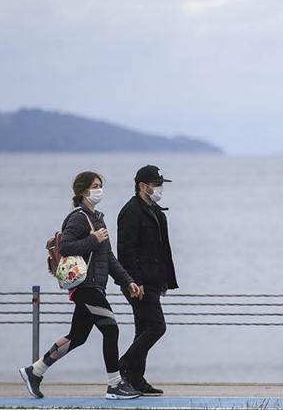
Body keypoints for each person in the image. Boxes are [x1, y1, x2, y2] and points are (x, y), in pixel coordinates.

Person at [20, 171, 143, 400]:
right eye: (95, 186)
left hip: (96, 285)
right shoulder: (78, 217)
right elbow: (65, 247)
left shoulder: (98, 218)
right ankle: (114, 385)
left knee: (77, 336)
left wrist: (128, 282)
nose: (99, 190)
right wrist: (93, 240)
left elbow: (109, 258)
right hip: (86, 287)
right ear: (84, 191)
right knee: (111, 328)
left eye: (100, 185)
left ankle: (34, 371)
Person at [116, 165, 178, 396]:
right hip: (137, 282)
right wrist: (133, 281)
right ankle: (123, 365)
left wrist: (165, 282)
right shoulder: (131, 211)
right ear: (143, 186)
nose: (160, 188)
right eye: (156, 184)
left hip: (153, 281)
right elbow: (126, 249)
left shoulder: (156, 212)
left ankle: (135, 380)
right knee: (157, 327)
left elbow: (163, 252)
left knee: (143, 329)